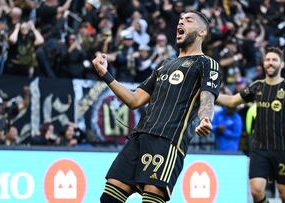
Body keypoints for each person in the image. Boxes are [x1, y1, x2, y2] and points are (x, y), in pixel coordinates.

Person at [92, 10, 221, 203]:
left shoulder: (207, 64)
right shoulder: (164, 65)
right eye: (180, 20)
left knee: (151, 198)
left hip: (167, 141)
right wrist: (106, 75)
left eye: (188, 20)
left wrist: (205, 118)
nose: (181, 23)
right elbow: (134, 100)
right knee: (109, 198)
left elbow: (207, 97)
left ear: (202, 32)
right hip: (139, 137)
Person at [216, 47, 285, 203]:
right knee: (256, 191)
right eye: (267, 60)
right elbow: (232, 100)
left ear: (282, 64)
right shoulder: (257, 86)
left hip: (282, 148)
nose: (270, 63)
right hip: (259, 148)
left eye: (274, 60)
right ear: (263, 64)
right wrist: (208, 93)